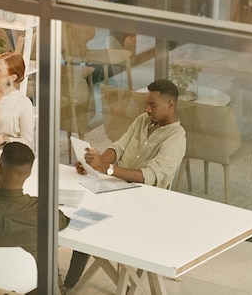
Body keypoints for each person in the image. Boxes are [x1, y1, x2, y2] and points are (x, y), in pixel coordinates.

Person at [62, 79, 186, 291]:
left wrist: (106, 169)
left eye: (153, 105)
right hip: (117, 192)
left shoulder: (176, 139)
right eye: (146, 104)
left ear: (170, 105)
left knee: (85, 220)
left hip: (146, 207)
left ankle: (66, 285)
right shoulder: (142, 121)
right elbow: (119, 147)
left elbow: (149, 176)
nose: (147, 109)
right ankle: (65, 283)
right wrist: (95, 162)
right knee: (75, 211)